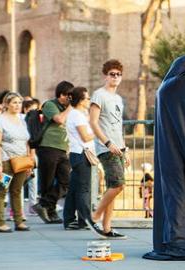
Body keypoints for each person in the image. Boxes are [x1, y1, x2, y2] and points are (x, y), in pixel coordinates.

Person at [89, 59, 130, 239]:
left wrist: (125, 149)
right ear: (105, 76)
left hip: (119, 147)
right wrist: (107, 143)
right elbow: (93, 122)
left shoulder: (118, 99)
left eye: (118, 74)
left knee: (113, 187)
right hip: (106, 147)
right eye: (112, 74)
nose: (115, 77)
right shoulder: (99, 95)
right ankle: (94, 216)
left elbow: (118, 126)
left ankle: (106, 228)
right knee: (118, 185)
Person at [32, 81, 73, 224]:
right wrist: (71, 108)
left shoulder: (68, 108)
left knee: (66, 181)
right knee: (47, 182)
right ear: (61, 95)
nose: (70, 99)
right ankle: (51, 212)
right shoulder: (50, 105)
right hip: (48, 147)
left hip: (63, 149)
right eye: (69, 96)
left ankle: (43, 204)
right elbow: (59, 119)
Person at [0, 92, 32, 232]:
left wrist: (29, 160)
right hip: (6, 161)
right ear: (7, 104)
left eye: (19, 103)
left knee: (17, 191)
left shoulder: (22, 119)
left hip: (21, 161)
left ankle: (19, 221)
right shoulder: (0, 120)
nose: (17, 105)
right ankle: (0, 223)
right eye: (14, 102)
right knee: (1, 191)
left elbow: (26, 141)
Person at [63, 87, 101, 233]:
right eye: (87, 98)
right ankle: (86, 220)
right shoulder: (77, 115)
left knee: (74, 188)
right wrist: (98, 133)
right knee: (84, 189)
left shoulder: (79, 114)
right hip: (81, 154)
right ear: (80, 100)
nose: (89, 100)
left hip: (78, 153)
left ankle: (69, 219)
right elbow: (85, 136)